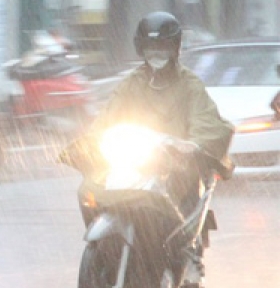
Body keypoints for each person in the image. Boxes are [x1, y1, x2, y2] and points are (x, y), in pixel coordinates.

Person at [74, 11, 234, 221]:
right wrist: (91, 143)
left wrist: (192, 146)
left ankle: (174, 237)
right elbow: (106, 118)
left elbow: (206, 121)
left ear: (175, 48)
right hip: (132, 161)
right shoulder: (131, 83)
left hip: (175, 165)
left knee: (170, 203)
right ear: (141, 49)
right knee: (89, 189)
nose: (157, 54)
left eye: (163, 48)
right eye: (151, 48)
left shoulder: (189, 84)